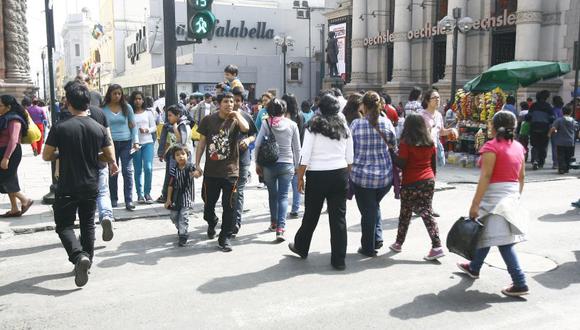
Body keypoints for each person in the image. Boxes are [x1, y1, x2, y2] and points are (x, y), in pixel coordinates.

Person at [42, 81, 115, 287]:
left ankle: (78, 256)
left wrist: (64, 152)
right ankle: (87, 260)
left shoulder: (61, 127)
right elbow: (108, 156)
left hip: (67, 184)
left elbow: (46, 155)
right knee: (87, 224)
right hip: (90, 183)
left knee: (64, 226)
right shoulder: (98, 127)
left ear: (68, 103)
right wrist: (92, 155)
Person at [457, 111, 529, 297]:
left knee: (504, 243)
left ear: (494, 126)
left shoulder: (491, 147)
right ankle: (474, 267)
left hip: (495, 198)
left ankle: (520, 282)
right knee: (486, 232)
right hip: (510, 195)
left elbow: (486, 177)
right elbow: (521, 177)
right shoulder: (519, 147)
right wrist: (515, 197)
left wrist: (475, 204)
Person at [288, 94, 353, 270]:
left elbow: (305, 154)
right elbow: (350, 157)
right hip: (339, 173)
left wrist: (300, 177)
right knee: (338, 218)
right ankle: (339, 259)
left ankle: (301, 246)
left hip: (317, 175)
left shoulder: (312, 127)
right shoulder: (344, 127)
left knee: (311, 214)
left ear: (320, 109)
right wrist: (346, 176)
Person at [194, 92, 249, 252]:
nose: (229, 104)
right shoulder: (208, 120)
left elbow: (246, 128)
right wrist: (197, 164)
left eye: (231, 102)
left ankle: (224, 238)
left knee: (229, 205)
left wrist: (237, 114)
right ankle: (211, 221)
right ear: (219, 103)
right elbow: (202, 143)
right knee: (208, 204)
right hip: (211, 172)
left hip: (231, 171)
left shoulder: (236, 120)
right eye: (226, 101)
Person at [389, 114, 443, 260]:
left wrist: (392, 154)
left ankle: (436, 245)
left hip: (411, 182)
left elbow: (402, 163)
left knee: (407, 213)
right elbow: (433, 164)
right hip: (428, 180)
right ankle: (399, 243)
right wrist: (433, 178)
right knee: (425, 210)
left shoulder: (406, 142)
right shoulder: (430, 141)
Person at [350, 91, 395, 257]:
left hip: (362, 176)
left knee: (368, 211)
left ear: (364, 106)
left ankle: (368, 247)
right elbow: (393, 145)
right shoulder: (387, 123)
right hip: (384, 177)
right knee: (373, 206)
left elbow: (349, 149)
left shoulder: (356, 124)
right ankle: (377, 238)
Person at [255, 98, 301, 241]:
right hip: (287, 165)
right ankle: (281, 228)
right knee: (283, 197)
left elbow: (257, 144)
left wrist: (257, 163)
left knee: (272, 195)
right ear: (284, 109)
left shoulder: (266, 123)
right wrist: (297, 167)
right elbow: (297, 149)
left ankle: (273, 222)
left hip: (269, 165)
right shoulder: (292, 124)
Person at [102, 85, 139, 211]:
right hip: (110, 144)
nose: (117, 96)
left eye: (119, 93)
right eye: (114, 93)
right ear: (109, 94)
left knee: (127, 171)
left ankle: (129, 200)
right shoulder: (103, 109)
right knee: (113, 171)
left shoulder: (127, 107)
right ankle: (113, 199)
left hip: (126, 142)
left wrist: (136, 141)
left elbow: (133, 126)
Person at [420, 89, 455, 217]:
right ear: (427, 100)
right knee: (423, 179)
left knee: (431, 179)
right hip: (422, 150)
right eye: (435, 97)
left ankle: (428, 206)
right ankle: (420, 204)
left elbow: (441, 132)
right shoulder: (421, 115)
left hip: (433, 149)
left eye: (439, 97)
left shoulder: (439, 115)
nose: (438, 99)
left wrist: (451, 130)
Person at [0, 95, 34, 218]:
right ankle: (14, 208)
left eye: (0, 105)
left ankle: (25, 200)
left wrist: (6, 157)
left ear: (8, 107)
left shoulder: (14, 119)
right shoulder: (4, 117)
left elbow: (13, 140)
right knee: (10, 179)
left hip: (11, 152)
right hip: (3, 151)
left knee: (4, 179)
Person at [232, 87, 258, 236]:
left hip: (243, 158)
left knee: (239, 190)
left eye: (237, 101)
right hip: (225, 161)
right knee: (229, 190)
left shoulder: (247, 116)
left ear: (242, 102)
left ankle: (236, 222)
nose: (234, 103)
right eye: (232, 100)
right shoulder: (221, 117)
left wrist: (248, 140)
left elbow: (254, 134)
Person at [157, 105, 193, 203]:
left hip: (183, 157)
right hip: (175, 155)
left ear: (178, 115)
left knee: (180, 178)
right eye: (167, 115)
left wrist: (175, 129)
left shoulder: (183, 125)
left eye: (170, 115)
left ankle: (182, 199)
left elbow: (182, 141)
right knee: (173, 176)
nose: (168, 118)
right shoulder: (174, 124)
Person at [164, 144, 196, 247]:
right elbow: (170, 185)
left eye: (183, 154)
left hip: (186, 197)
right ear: (174, 158)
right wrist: (168, 199)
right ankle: (180, 229)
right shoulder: (173, 170)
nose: (181, 156)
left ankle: (183, 235)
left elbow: (197, 173)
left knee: (183, 217)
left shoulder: (191, 167)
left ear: (188, 155)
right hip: (175, 198)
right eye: (177, 155)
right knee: (174, 216)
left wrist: (197, 173)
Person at [129, 91, 156, 204]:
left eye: (140, 98)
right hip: (135, 144)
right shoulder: (129, 114)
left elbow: (154, 127)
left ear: (143, 100)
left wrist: (147, 130)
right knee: (138, 169)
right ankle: (139, 194)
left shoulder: (148, 113)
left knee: (148, 168)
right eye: (135, 99)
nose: (138, 101)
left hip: (148, 142)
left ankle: (147, 193)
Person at [282, 93, 304, 219]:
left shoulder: (282, 117)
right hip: (297, 151)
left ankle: (284, 207)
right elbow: (302, 135)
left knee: (285, 183)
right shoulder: (299, 115)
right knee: (296, 182)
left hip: (285, 152)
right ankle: (295, 208)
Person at [525, 90, 554, 170]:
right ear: (546, 98)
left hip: (534, 128)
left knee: (535, 145)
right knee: (543, 146)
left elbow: (528, 117)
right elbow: (552, 119)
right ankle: (541, 162)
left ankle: (535, 160)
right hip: (545, 129)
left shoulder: (533, 106)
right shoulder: (548, 106)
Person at [549, 105, 576, 174]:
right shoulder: (573, 121)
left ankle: (561, 169)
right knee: (568, 156)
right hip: (570, 142)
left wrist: (552, 133)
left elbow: (553, 129)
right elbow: (575, 129)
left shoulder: (559, 120)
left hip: (560, 142)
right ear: (571, 112)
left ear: (562, 112)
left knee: (561, 156)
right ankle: (566, 168)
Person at [550, 95, 565, 169]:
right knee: (561, 146)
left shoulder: (553, 110)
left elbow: (555, 120)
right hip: (563, 130)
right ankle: (561, 162)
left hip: (555, 130)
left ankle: (555, 163)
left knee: (555, 147)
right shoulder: (563, 109)